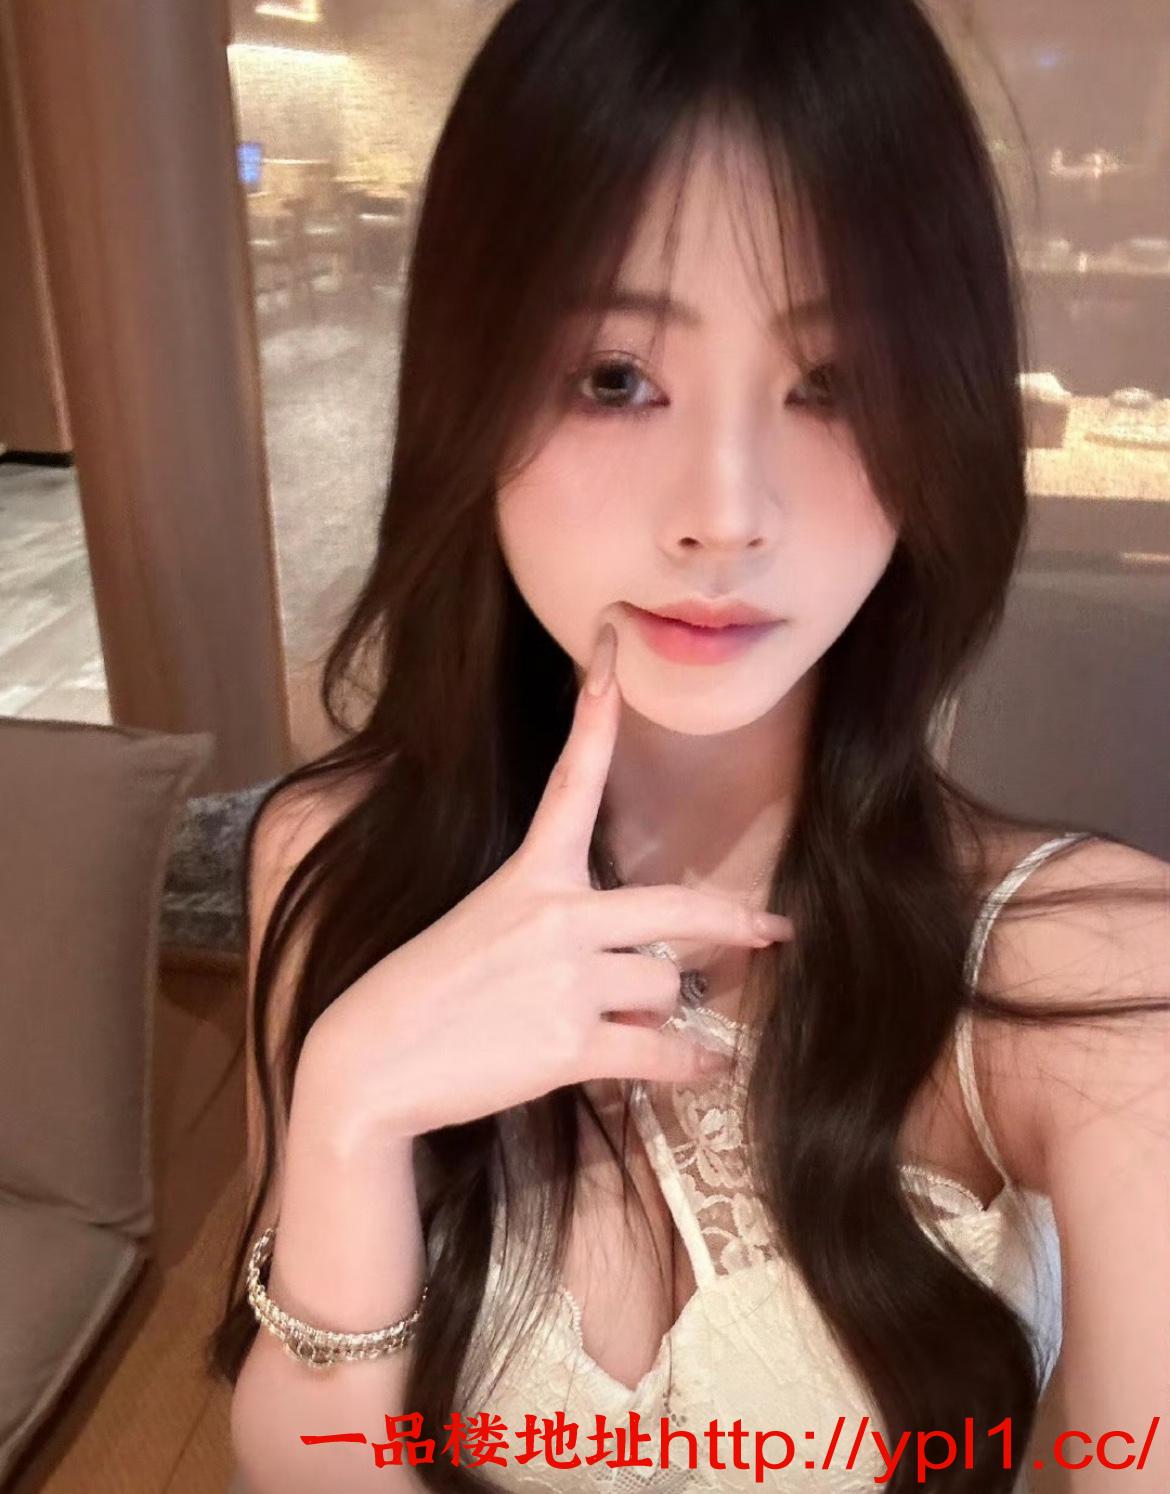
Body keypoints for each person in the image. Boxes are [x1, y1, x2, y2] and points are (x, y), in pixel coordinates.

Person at [211, 2, 1170, 1491]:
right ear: (465, 393)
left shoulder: (1089, 970)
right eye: (614, 377)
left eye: (832, 383)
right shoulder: (331, 859)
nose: (724, 513)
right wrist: (345, 1117)